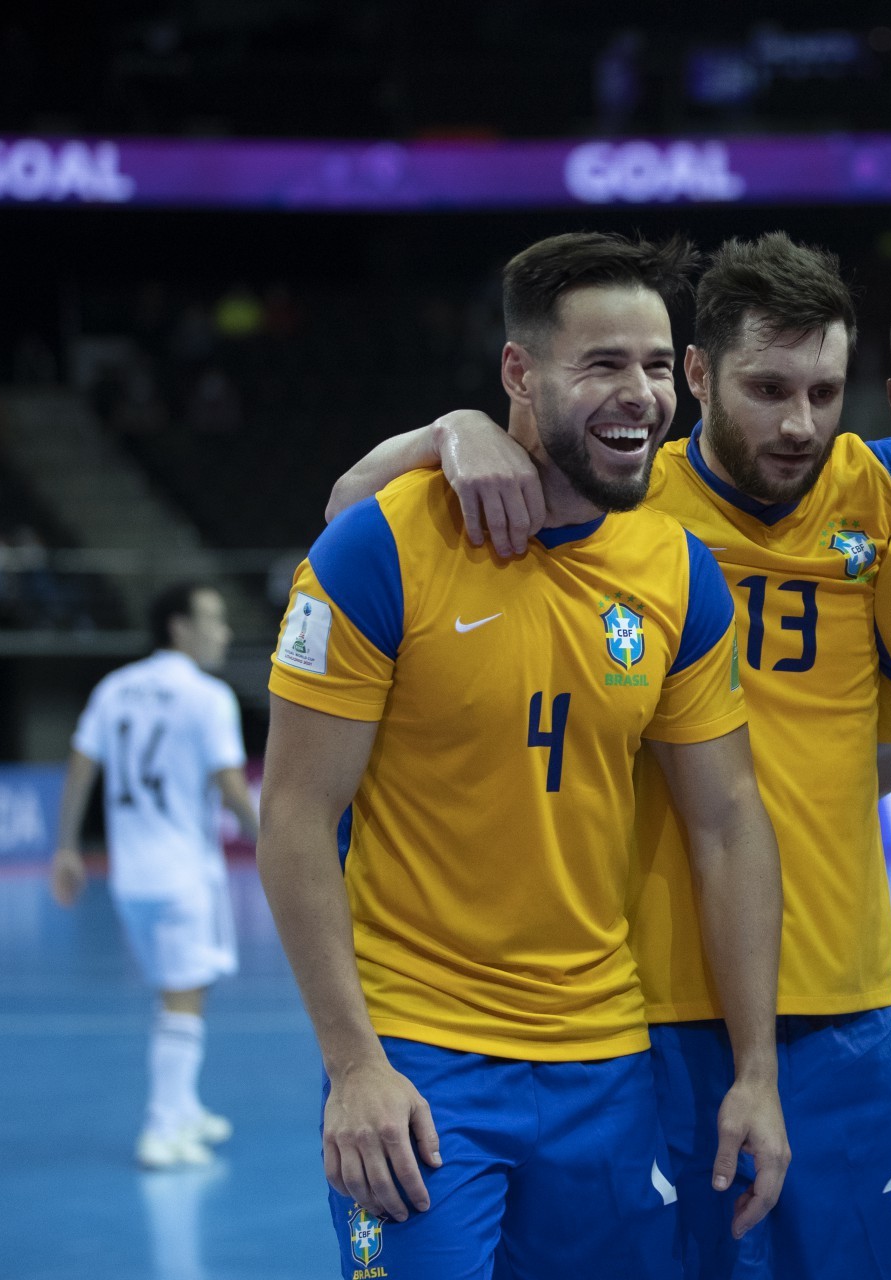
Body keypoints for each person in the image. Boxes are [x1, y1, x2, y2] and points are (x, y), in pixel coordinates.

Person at [325, 232, 891, 1279]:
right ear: (696, 377)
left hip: (849, 1008)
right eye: (766, 388)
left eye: (824, 392)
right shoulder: (626, 502)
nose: (798, 422)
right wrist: (453, 429)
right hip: (660, 1014)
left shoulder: (873, 485)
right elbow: (350, 511)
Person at [257, 231, 788, 1280]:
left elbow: (728, 822)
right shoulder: (385, 543)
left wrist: (758, 1070)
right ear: (519, 372)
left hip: (605, 1062)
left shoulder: (680, 572)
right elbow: (292, 816)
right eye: (600, 364)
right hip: (419, 1062)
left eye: (651, 364)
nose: (638, 393)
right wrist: (353, 1064)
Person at [52, 581, 259, 1169]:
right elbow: (231, 789)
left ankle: (185, 1106)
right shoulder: (208, 696)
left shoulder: (115, 687)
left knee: (183, 988)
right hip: (183, 875)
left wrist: (66, 846)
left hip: (132, 877)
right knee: (182, 1000)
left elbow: (79, 767)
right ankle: (161, 1127)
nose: (222, 632)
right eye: (213, 619)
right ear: (178, 626)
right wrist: (278, 842)